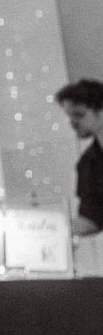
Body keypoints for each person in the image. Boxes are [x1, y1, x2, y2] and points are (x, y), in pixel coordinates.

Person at [55, 79, 103, 237]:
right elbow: (92, 218)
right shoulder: (88, 163)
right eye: (70, 117)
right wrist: (48, 229)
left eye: (79, 115)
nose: (73, 123)